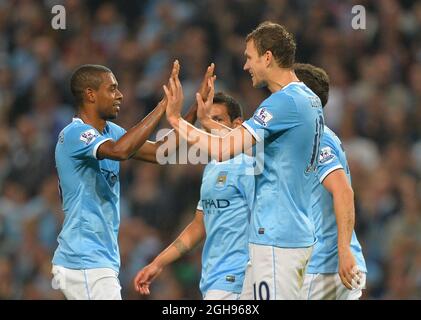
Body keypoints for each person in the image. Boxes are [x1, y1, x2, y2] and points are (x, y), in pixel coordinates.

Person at [162, 21, 324, 299]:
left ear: (268, 57)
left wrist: (176, 120)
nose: (246, 66)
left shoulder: (282, 102)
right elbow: (252, 146)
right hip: (288, 235)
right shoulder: (307, 99)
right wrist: (205, 122)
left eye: (249, 57)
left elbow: (225, 149)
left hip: (277, 240)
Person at [52, 61, 214, 300]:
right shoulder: (74, 134)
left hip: (97, 258)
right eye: (112, 88)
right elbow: (120, 151)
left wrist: (193, 108)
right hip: (84, 258)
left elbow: (161, 151)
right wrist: (162, 106)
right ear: (90, 94)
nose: (120, 95)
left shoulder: (110, 131)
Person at [133, 91, 255, 300]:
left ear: (237, 125)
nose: (209, 126)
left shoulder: (248, 166)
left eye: (217, 120)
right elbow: (199, 226)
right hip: (213, 278)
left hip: (238, 279)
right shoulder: (212, 168)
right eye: (205, 121)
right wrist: (158, 262)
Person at [293, 63, 367, 300]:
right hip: (322, 266)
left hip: (326, 269)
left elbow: (343, 192)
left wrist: (343, 251)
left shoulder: (318, 140)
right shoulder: (311, 136)